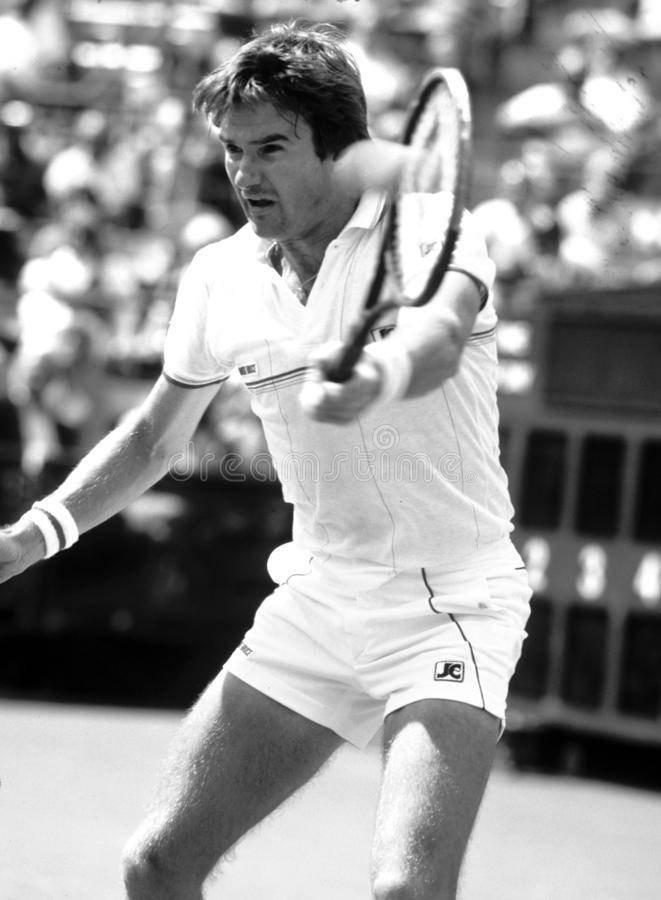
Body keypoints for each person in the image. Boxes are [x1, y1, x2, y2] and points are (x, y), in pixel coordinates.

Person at [0, 21, 531, 900]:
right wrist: (35, 534)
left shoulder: (434, 228)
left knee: (406, 891)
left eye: (271, 149)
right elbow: (152, 439)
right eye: (231, 151)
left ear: (340, 152)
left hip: (454, 602)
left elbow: (437, 341)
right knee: (157, 866)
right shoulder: (218, 275)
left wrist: (381, 371)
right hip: (320, 599)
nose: (244, 174)